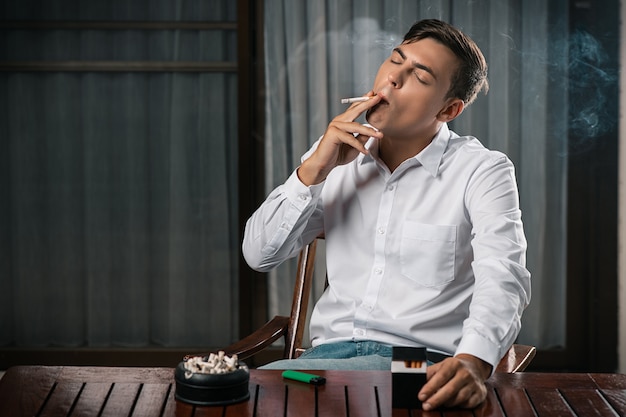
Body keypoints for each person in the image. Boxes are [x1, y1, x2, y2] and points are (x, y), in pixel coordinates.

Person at [242, 18, 531, 410]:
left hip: (416, 362)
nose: (393, 79)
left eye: (419, 76)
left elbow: (504, 276)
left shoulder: (482, 170)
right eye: (396, 60)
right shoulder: (333, 155)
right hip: (324, 362)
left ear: (449, 109)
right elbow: (259, 255)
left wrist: (474, 361)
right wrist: (312, 171)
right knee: (238, 397)